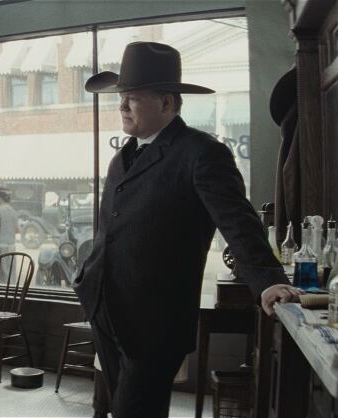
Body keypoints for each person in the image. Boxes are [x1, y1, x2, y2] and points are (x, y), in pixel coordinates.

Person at [74, 41, 302, 418]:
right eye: (121, 97)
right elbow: (109, 231)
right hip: (104, 305)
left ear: (166, 102)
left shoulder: (202, 152)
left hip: (154, 321)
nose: (121, 106)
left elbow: (238, 221)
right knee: (113, 406)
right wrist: (88, 278)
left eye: (132, 97)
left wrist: (267, 279)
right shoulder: (122, 157)